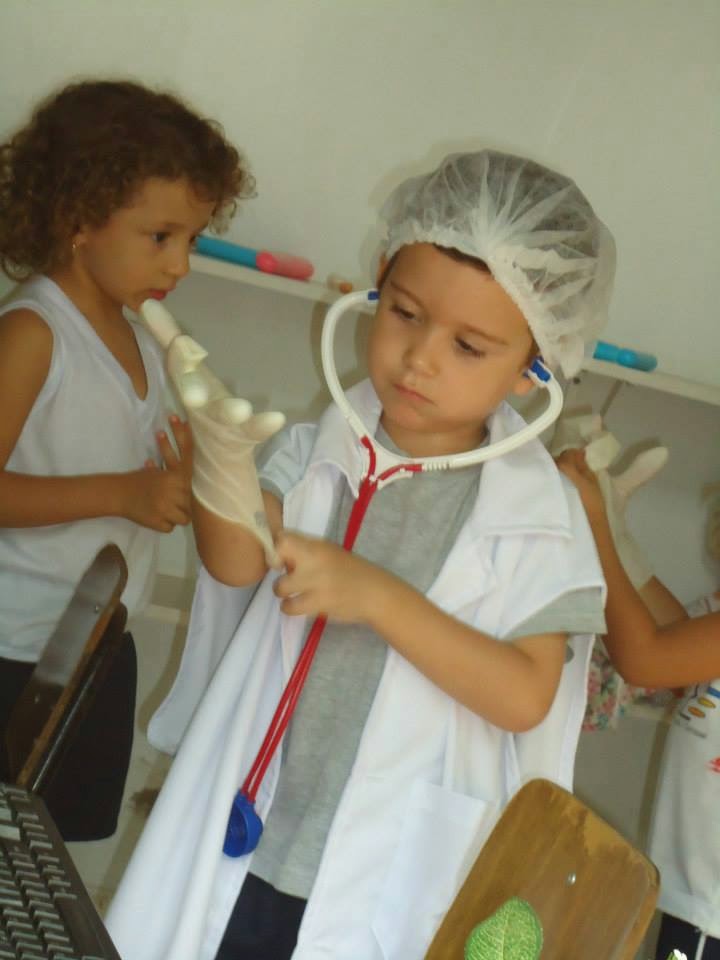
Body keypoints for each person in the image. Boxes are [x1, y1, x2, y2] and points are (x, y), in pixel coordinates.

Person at [107, 149, 615, 960]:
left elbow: (526, 695)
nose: (421, 358)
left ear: (533, 369)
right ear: (377, 285)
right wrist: (222, 471)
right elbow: (240, 562)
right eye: (406, 313)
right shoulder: (320, 448)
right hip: (253, 837)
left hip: (390, 880)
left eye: (469, 346)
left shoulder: (538, 518)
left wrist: (379, 598)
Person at [0, 78, 251, 839]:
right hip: (14, 649)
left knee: (52, 857)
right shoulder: (34, 332)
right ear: (78, 218)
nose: (181, 265)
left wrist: (187, 474)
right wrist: (122, 493)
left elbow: (143, 478)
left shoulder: (144, 341)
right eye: (161, 237)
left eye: (192, 240)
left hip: (93, 650)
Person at [558, 449, 720, 960]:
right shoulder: (713, 614)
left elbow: (645, 659)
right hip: (700, 905)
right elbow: (669, 641)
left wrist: (595, 527)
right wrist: (616, 535)